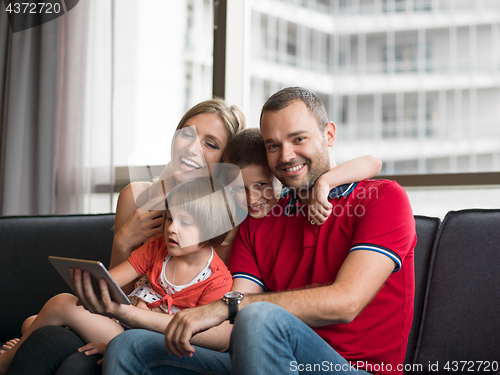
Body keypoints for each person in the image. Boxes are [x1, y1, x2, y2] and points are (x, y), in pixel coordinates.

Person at [78, 87, 416, 375]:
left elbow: (347, 301)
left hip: (351, 368)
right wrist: (125, 314)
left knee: (258, 316)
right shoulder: (259, 223)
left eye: (298, 139)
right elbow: (229, 324)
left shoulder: (382, 199)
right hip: (272, 360)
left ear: (328, 135)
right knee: (129, 346)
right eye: (273, 145)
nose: (286, 155)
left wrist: (228, 307)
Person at [3, 99, 245, 375]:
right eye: (187, 134)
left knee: (52, 332)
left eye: (210, 144)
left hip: (158, 334)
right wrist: (123, 242)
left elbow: (216, 322)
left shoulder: (224, 229)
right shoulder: (136, 197)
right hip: (122, 315)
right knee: (41, 326)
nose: (192, 148)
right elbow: (118, 293)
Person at [1, 177, 234, 375]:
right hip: (120, 324)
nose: (172, 228)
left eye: (186, 223)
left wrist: (116, 344)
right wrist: (90, 290)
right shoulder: (157, 247)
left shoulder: (217, 280)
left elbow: (195, 342)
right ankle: (45, 333)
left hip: (146, 340)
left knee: (59, 304)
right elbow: (108, 281)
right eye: (171, 218)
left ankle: (5, 362)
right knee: (32, 322)